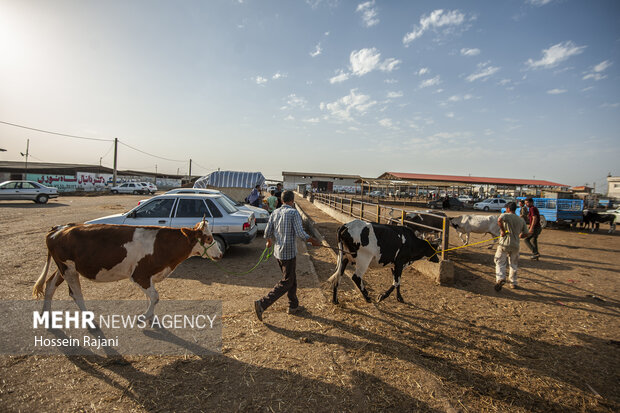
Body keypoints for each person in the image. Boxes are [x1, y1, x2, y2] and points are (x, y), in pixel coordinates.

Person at [254, 191, 321, 321]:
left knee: (291, 278)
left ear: (281, 200)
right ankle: (262, 303)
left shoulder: (275, 212)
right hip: (288, 253)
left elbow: (268, 231)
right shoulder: (293, 213)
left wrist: (269, 241)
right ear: (292, 200)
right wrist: (313, 241)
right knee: (287, 281)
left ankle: (293, 305)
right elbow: (301, 234)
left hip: (278, 253)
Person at [494, 202, 528, 291]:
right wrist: (520, 236)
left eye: (506, 208)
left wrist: (503, 230)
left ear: (508, 208)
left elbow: (499, 220)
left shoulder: (506, 215)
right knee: (513, 264)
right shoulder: (521, 219)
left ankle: (500, 278)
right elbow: (526, 233)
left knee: (500, 262)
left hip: (504, 243)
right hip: (515, 244)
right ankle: (513, 282)